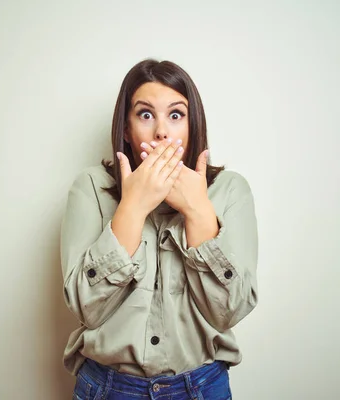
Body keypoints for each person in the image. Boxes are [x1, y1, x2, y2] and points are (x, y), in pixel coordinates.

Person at [60, 59, 258, 400]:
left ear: (192, 125)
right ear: (126, 128)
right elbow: (86, 309)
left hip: (201, 386)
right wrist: (133, 207)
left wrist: (197, 210)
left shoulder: (229, 190)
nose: (162, 132)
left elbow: (229, 312)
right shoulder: (90, 187)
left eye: (176, 115)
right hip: (108, 388)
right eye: (146, 114)